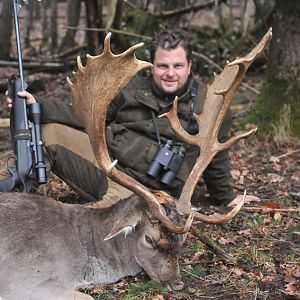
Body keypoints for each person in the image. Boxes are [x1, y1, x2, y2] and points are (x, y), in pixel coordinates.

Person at [4, 29, 259, 207]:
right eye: (163, 66)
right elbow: (87, 117)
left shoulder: (209, 104)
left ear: (189, 66)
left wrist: (226, 197)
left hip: (145, 193)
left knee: (92, 225)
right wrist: (36, 105)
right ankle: (12, 194)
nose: (170, 73)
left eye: (177, 66)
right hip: (106, 165)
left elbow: (216, 157)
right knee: (46, 132)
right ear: (152, 65)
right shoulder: (131, 89)